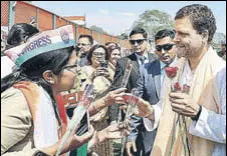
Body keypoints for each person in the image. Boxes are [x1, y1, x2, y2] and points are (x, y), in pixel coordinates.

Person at [1, 25, 130, 156]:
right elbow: (57, 147)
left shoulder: (52, 97)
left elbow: (64, 143)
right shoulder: (19, 101)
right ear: (50, 76)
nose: (78, 70)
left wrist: (102, 135)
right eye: (72, 66)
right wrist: (55, 149)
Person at [125, 4, 226, 156]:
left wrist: (198, 113)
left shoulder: (221, 73)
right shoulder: (177, 68)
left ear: (204, 35)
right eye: (175, 32)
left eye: (183, 34)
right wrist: (150, 112)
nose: (175, 39)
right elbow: (165, 108)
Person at [125, 29, 177, 156]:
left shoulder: (187, 67)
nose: (163, 52)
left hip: (178, 133)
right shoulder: (146, 70)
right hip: (152, 132)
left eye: (167, 47)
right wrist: (131, 136)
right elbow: (137, 103)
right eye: (159, 49)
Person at [108, 27, 158, 156]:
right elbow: (116, 90)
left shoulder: (156, 59)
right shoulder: (124, 62)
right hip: (131, 115)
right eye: (132, 42)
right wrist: (114, 119)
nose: (136, 45)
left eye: (139, 41)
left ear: (147, 41)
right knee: (131, 151)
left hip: (153, 114)